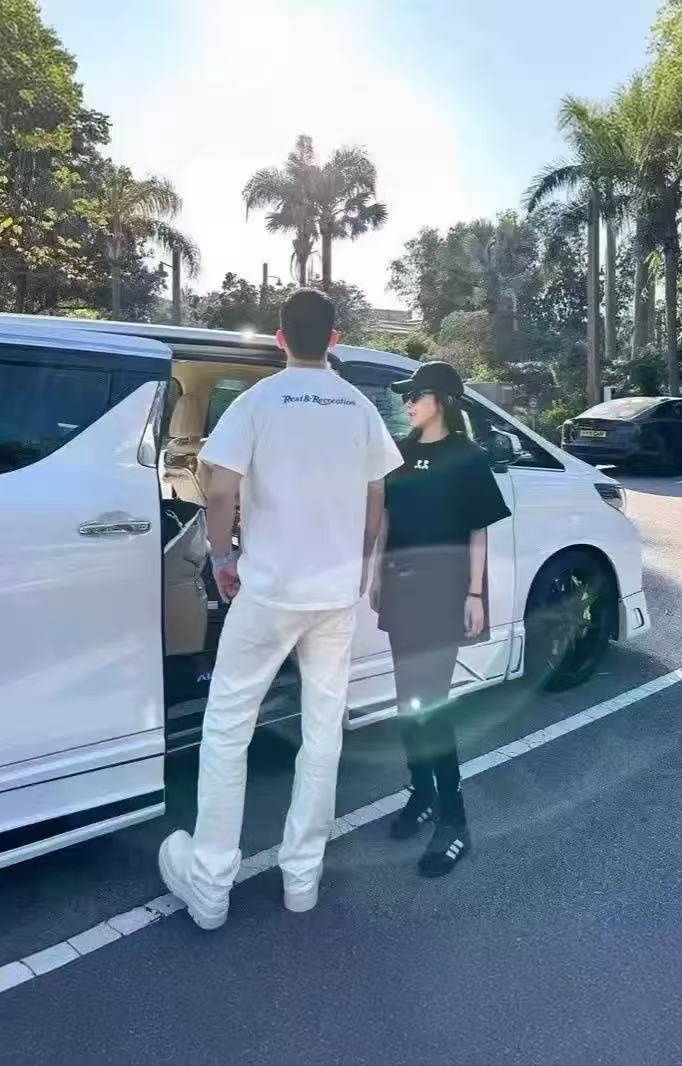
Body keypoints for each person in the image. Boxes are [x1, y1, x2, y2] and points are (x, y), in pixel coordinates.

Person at [158, 289, 401, 929]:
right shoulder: (359, 407)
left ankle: (210, 883)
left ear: (279, 338)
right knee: (323, 731)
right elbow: (376, 499)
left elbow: (220, 492)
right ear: (335, 339)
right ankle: (302, 878)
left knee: (227, 729)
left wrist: (220, 558)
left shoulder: (258, 402)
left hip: (267, 593)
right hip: (334, 598)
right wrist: (361, 565)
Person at [369, 361, 511, 877]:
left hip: (445, 593)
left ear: (443, 400)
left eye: (417, 394)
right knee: (407, 702)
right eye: (406, 396)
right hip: (400, 589)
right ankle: (422, 792)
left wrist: (475, 593)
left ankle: (455, 820)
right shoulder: (399, 453)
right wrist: (377, 572)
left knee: (431, 705)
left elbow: (478, 530)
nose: (407, 403)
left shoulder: (466, 457)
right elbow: (387, 516)